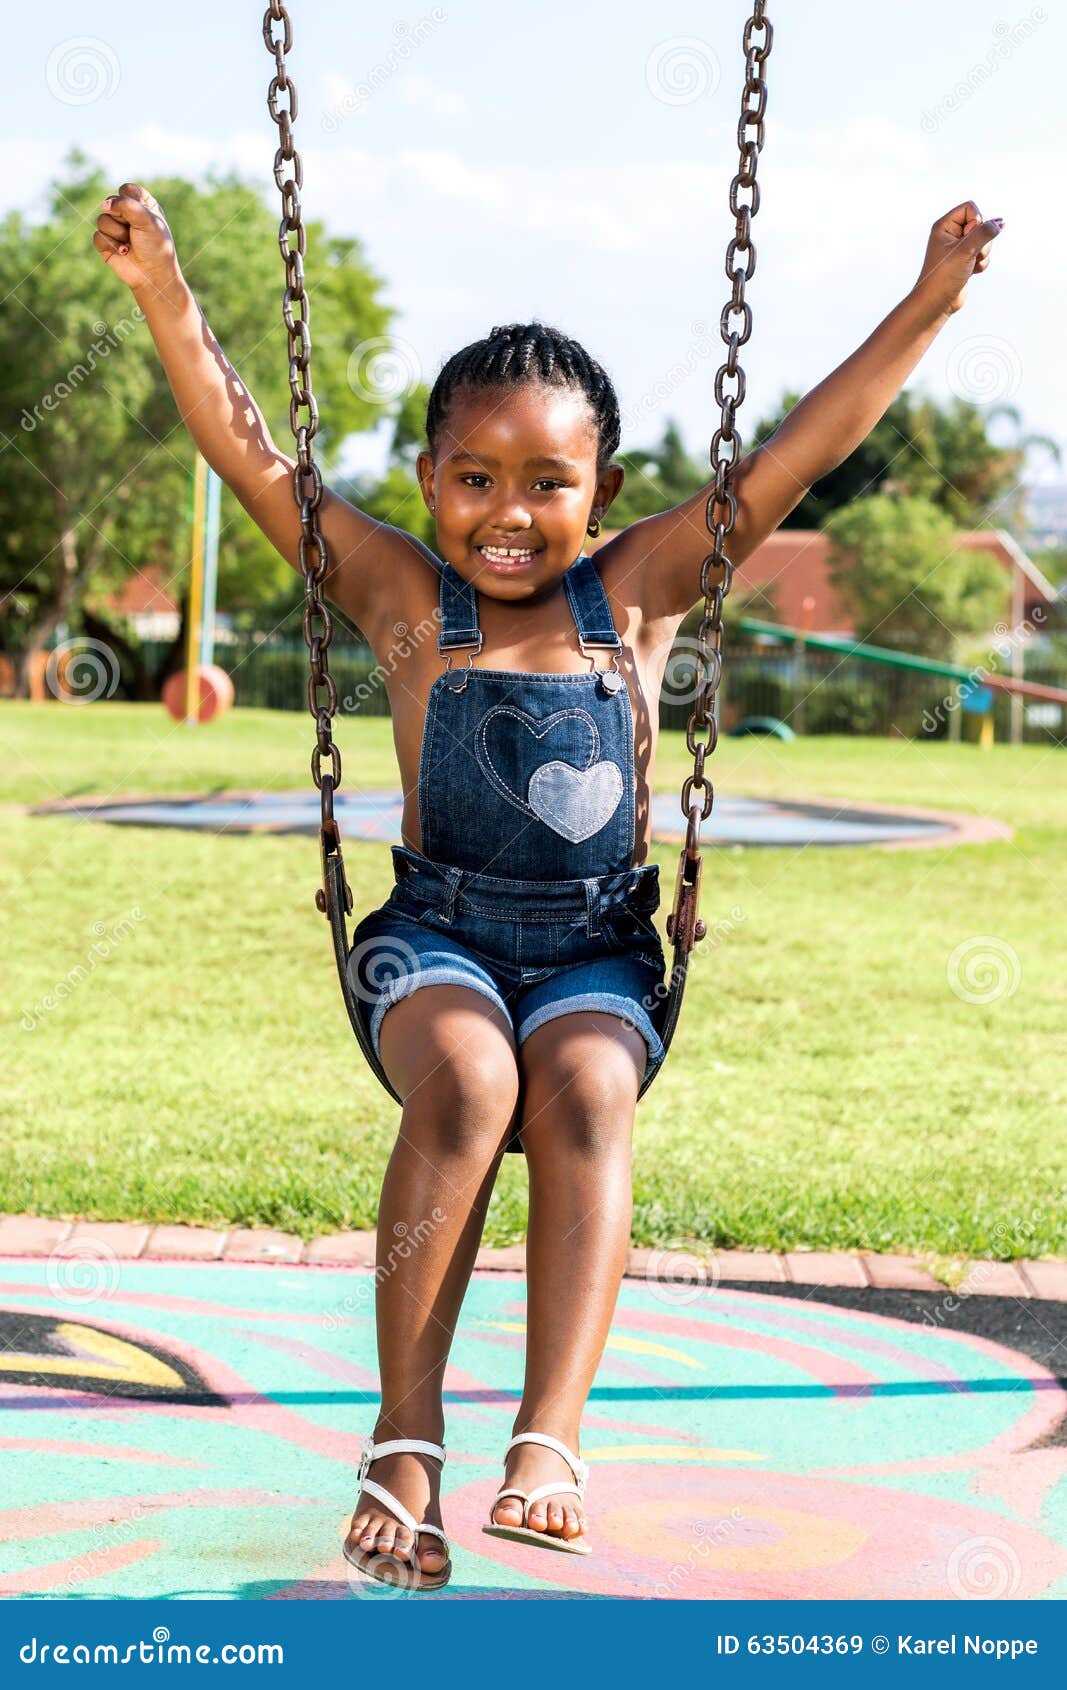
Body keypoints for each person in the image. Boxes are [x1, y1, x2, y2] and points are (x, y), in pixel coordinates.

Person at [95, 186, 1001, 1589]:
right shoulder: (396, 593)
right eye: (475, 478)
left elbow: (798, 456)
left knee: (582, 1085)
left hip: (595, 950)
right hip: (435, 935)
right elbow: (250, 450)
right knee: (468, 1086)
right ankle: (405, 1438)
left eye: (547, 483)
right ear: (428, 480)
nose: (509, 514)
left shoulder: (639, 590)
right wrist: (164, 289)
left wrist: (931, 303)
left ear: (604, 492)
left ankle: (546, 1437)